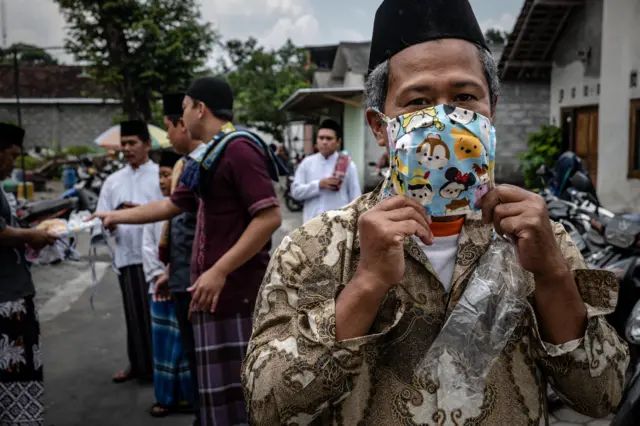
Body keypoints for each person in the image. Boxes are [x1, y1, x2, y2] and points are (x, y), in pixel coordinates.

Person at [242, 1, 629, 425]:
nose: (445, 118)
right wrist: (366, 284)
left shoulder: (538, 238)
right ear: (379, 125)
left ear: (491, 110)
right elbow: (267, 407)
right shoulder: (315, 246)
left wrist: (553, 277)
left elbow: (602, 395)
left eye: (464, 97)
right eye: (418, 101)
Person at [92, 77, 283, 425]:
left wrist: (219, 270)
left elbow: (269, 216)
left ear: (200, 109)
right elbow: (171, 206)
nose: (179, 121)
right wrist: (113, 215)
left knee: (241, 401)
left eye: (183, 109)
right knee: (216, 402)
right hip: (211, 294)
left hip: (234, 294)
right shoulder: (208, 154)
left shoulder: (239, 149)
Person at [95, 120, 164, 383]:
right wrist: (112, 221)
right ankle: (138, 364)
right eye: (123, 144)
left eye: (132, 143)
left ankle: (163, 366)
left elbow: (169, 208)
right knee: (134, 313)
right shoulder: (113, 181)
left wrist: (139, 210)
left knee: (159, 314)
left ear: (147, 144)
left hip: (157, 256)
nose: (127, 148)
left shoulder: (161, 175)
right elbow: (101, 220)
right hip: (128, 256)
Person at [155, 91, 205, 426]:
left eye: (169, 127)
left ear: (183, 124)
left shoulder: (203, 163)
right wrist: (170, 268)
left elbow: (186, 217)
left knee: (203, 355)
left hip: (199, 276)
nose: (169, 136)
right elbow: (178, 223)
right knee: (191, 351)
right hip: (181, 272)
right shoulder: (181, 164)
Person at [0, 123, 55, 426]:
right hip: (7, 300)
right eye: (11, 155)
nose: (14, 163)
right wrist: (31, 236)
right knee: (14, 373)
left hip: (15, 292)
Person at [142, 149, 194, 417]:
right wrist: (158, 276)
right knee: (164, 349)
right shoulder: (154, 209)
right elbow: (149, 249)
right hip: (161, 289)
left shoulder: (186, 209)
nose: (164, 181)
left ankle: (187, 398)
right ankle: (166, 397)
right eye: (160, 176)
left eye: (168, 175)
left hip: (181, 285)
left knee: (184, 351)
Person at [291, 119, 362, 223]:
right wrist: (319, 185)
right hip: (311, 225)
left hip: (338, 226)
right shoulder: (306, 163)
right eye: (321, 138)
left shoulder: (348, 165)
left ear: (338, 142)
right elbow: (295, 192)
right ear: (316, 140)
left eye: (329, 138)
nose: (324, 142)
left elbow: (356, 199)